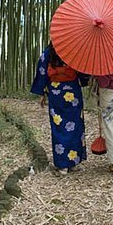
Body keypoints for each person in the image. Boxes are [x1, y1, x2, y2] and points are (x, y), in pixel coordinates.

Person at [31, 43, 88, 176]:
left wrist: (42, 92)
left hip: (56, 92)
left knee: (60, 127)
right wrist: (86, 80)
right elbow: (83, 71)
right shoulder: (74, 50)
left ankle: (64, 165)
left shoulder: (48, 53)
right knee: (74, 126)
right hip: (72, 92)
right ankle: (72, 162)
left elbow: (42, 73)